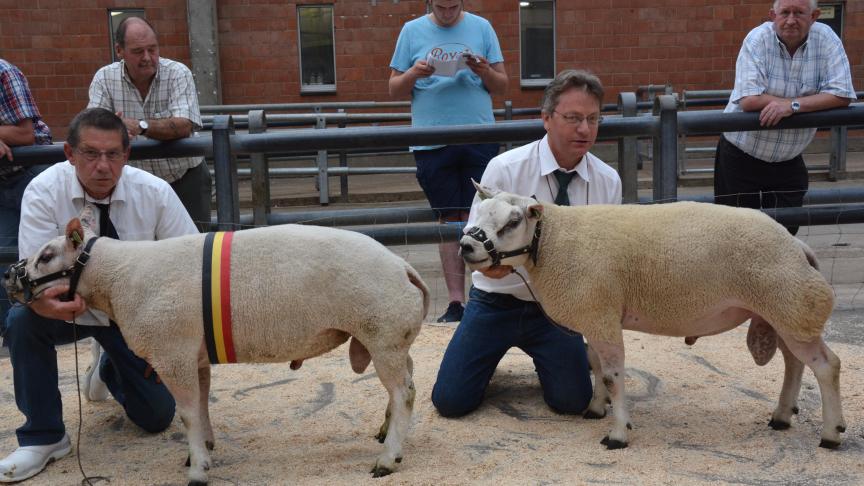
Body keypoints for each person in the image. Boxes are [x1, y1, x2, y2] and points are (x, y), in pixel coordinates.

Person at [0, 108, 198, 483]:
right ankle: (43, 438)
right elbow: (33, 277)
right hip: (67, 311)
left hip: (134, 319)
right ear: (69, 154)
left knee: (155, 418)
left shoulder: (155, 193)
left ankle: (108, 366)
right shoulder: (43, 191)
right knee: (22, 318)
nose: (102, 165)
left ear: (127, 155)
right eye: (90, 153)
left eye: (113, 154)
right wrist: (44, 304)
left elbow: (188, 267)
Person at [431, 70, 622, 417]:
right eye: (573, 118)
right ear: (546, 118)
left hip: (559, 310)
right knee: (450, 402)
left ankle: (556, 360)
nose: (584, 129)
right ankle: (486, 360)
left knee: (571, 403)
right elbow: (473, 244)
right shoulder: (504, 169)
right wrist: (497, 264)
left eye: (593, 119)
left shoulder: (608, 181)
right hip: (495, 300)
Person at [389, 0, 508, 323]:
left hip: (478, 137)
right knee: (448, 220)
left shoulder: (482, 27)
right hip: (431, 143)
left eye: (453, 7)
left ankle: (486, 299)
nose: (447, 13)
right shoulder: (411, 31)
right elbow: (394, 88)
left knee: (483, 216)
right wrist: (415, 72)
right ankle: (456, 302)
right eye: (441, 7)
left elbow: (502, 84)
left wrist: (483, 70)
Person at [714, 0, 855, 234]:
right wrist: (805, 103)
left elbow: (842, 94)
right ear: (772, 15)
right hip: (742, 153)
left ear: (814, 16)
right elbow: (749, 99)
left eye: (799, 13)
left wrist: (792, 106)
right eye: (785, 13)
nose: (791, 20)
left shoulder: (826, 39)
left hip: (789, 155)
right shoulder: (757, 39)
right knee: (736, 232)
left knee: (786, 231)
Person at [88, 16, 211, 232]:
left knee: (194, 246)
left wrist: (139, 126)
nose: (147, 58)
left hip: (184, 178)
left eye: (152, 49)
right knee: (141, 250)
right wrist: (114, 129)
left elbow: (184, 125)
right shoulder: (104, 79)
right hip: (133, 183)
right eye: (138, 52)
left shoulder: (177, 73)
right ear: (119, 51)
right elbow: (93, 128)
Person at [0, 58, 52, 340]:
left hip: (31, 174)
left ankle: (68, 319)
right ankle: (13, 335)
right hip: (3, 181)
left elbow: (25, 133)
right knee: (4, 259)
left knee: (50, 252)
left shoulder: (4, 73)